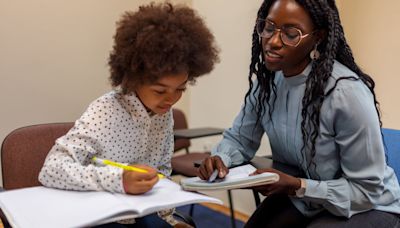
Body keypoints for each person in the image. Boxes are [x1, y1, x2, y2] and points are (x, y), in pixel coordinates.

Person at [198, 0, 400, 227]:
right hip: (304, 197)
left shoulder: (345, 94)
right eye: (268, 28)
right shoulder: (267, 84)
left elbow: (366, 190)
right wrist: (221, 159)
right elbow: (240, 139)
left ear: (318, 37)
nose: (273, 42)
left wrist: (298, 186)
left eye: (291, 34)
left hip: (366, 205)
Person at [39, 2, 219, 227]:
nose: (171, 99)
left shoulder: (163, 113)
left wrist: (169, 220)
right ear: (133, 77)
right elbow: (51, 170)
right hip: (103, 216)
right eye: (160, 90)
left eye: (181, 89)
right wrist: (119, 180)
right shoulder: (105, 111)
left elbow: (161, 173)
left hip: (142, 214)